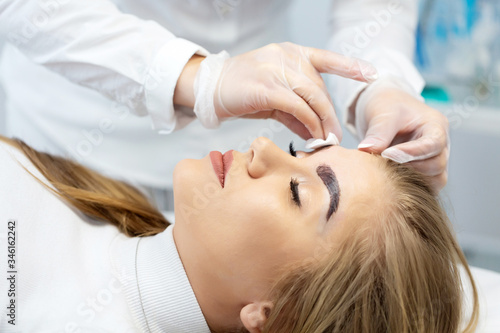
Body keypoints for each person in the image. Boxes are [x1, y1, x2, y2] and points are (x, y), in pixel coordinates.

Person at [0, 135, 477, 333]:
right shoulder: (92, 204)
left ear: (277, 315)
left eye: (296, 191)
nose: (262, 147)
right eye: (298, 151)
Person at [0, 0, 449, 210]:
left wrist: (379, 85)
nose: (265, 151)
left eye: (301, 186)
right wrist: (197, 76)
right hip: (79, 129)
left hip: (242, 145)